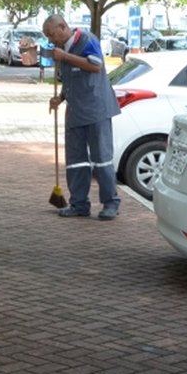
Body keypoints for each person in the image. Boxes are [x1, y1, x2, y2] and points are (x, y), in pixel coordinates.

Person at [42, 14, 120, 220]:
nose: (51, 40)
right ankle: (79, 203)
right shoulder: (61, 51)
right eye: (48, 37)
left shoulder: (86, 40)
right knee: (76, 160)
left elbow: (95, 66)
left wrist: (65, 56)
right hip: (76, 111)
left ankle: (110, 203)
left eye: (51, 35)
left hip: (96, 110)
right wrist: (60, 98)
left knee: (101, 159)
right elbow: (72, 79)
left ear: (62, 27)